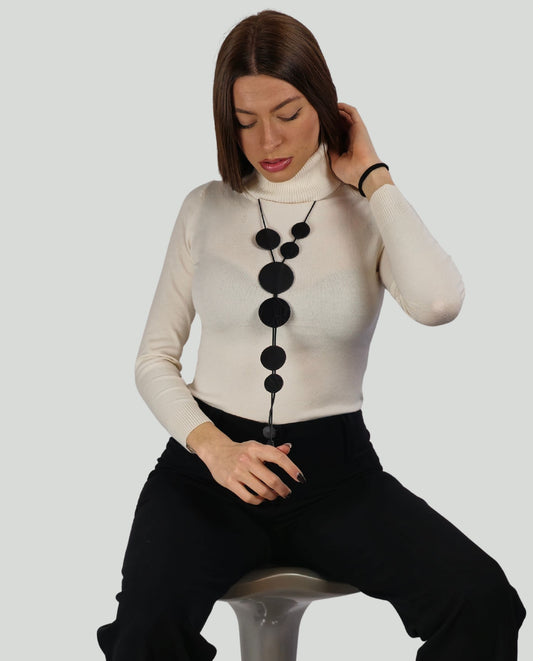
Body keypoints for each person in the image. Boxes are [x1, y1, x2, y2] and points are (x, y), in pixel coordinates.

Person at [96, 9, 526, 661]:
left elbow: (439, 303)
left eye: (288, 112)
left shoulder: (369, 210)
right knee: (144, 632)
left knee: (481, 600)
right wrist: (214, 449)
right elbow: (154, 358)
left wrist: (374, 176)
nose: (267, 138)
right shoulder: (203, 207)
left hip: (335, 480)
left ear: (324, 105)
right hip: (206, 474)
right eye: (244, 120)